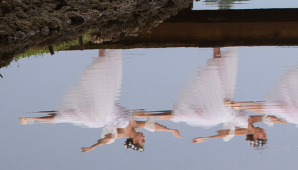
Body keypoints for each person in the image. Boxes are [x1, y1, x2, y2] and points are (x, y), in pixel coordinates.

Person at [19, 49, 181, 152]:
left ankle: (32, 119)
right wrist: (170, 130)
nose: (145, 137)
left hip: (97, 110)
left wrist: (93, 147)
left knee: (63, 116)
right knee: (107, 72)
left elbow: (106, 140)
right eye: (144, 139)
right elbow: (154, 126)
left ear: (134, 140)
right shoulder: (135, 124)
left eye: (143, 140)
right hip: (106, 99)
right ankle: (101, 43)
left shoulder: (121, 133)